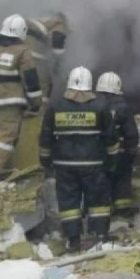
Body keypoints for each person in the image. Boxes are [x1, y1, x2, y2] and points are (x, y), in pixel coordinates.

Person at [39, 66, 118, 251]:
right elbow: (110, 137)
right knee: (98, 200)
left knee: (69, 203)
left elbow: (46, 136)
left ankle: (73, 239)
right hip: (94, 164)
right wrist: (112, 160)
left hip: (64, 164)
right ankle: (99, 235)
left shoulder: (55, 106)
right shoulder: (100, 106)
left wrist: (45, 159)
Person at [0, 14, 42, 180]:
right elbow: (30, 79)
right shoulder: (22, 51)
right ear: (21, 32)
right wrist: (36, 103)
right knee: (6, 135)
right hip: (10, 100)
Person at [95, 72, 139, 217]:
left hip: (99, 153)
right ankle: (123, 210)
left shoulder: (93, 106)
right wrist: (131, 151)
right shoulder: (123, 108)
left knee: (103, 180)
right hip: (120, 152)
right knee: (122, 180)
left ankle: (104, 210)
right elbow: (131, 133)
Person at [24, 12, 69, 105]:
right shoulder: (58, 23)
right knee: (44, 83)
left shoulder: (33, 21)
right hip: (34, 55)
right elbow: (58, 38)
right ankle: (41, 108)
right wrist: (57, 62)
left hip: (17, 54)